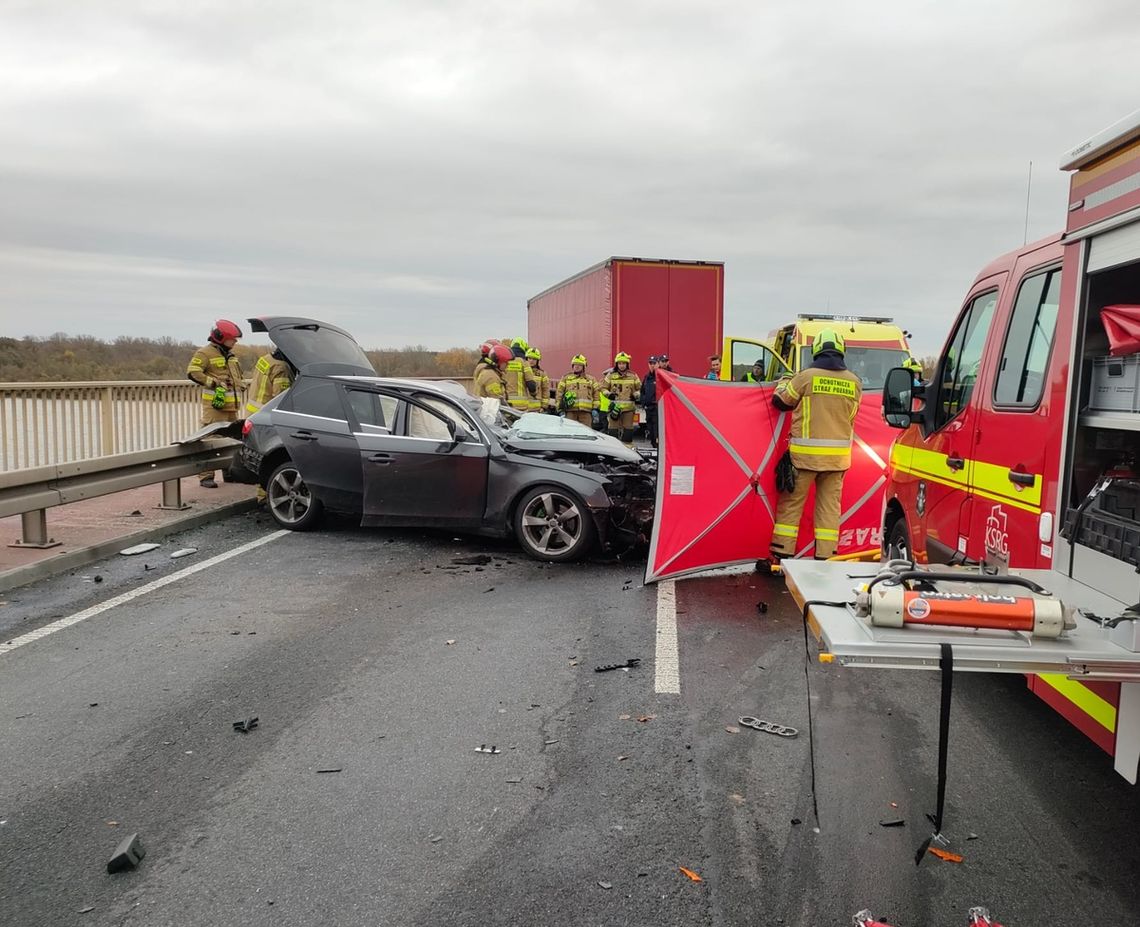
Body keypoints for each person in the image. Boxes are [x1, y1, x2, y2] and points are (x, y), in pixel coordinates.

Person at [768, 328, 862, 561]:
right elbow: (851, 417)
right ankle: (826, 557)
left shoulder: (806, 376)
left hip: (804, 458)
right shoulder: (854, 382)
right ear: (842, 351)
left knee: (791, 506)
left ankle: (781, 556)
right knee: (829, 510)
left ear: (817, 349)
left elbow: (781, 401)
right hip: (838, 460)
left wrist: (784, 381)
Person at [187, 319, 244, 488]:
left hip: (231, 407)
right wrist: (212, 382)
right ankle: (206, 476)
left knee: (230, 440)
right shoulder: (204, 353)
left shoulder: (231, 356)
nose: (235, 342)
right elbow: (193, 372)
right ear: (221, 337)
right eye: (232, 339)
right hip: (214, 407)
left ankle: (228, 471)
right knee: (210, 440)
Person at [602, 351, 642, 444]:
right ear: (617, 364)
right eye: (619, 363)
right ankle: (613, 451)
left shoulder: (633, 376)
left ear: (627, 364)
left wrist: (635, 395)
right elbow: (603, 388)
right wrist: (609, 394)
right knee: (613, 432)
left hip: (628, 410)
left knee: (628, 433)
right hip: (614, 409)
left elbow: (640, 389)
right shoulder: (611, 376)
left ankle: (627, 452)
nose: (622, 365)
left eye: (623, 363)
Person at [245, 346, 293, 415]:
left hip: (251, 411)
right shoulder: (281, 367)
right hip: (264, 414)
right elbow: (281, 396)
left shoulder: (266, 358)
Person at [555, 354, 601, 426]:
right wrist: (560, 409)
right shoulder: (566, 378)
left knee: (586, 433)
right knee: (570, 431)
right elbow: (559, 394)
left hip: (586, 412)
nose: (576, 366)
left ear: (584, 366)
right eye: (575, 364)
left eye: (579, 365)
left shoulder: (591, 379)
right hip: (570, 412)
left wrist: (595, 409)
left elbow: (596, 395)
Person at [504, 337, 538, 411]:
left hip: (505, 403)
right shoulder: (524, 362)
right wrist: (534, 394)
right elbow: (531, 384)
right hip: (520, 406)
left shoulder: (504, 362)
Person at [525, 347, 552, 411]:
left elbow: (546, 390)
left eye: (534, 359)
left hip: (536, 409)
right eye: (530, 358)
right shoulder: (522, 372)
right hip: (524, 408)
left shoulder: (542, 374)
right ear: (526, 359)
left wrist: (543, 407)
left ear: (537, 361)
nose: (531, 361)